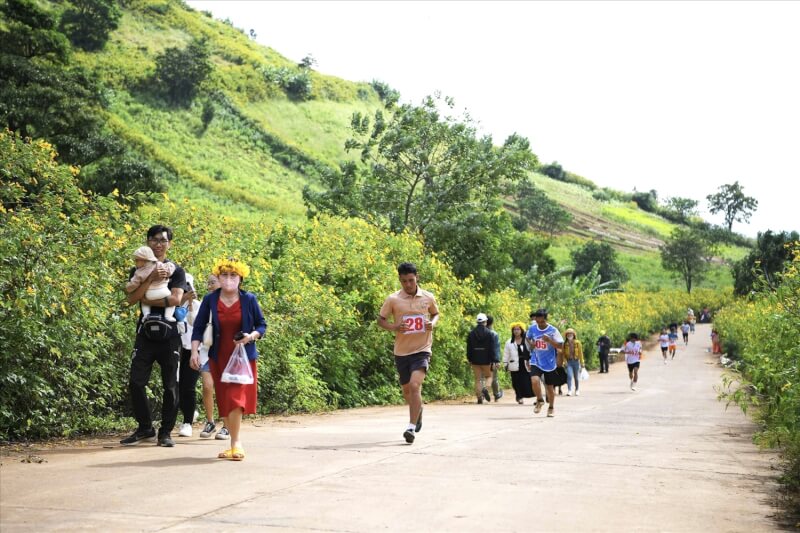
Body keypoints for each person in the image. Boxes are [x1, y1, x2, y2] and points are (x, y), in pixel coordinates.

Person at [190, 257, 266, 461]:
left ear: (241, 278)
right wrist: (194, 351)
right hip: (219, 357)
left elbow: (261, 325)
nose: (229, 278)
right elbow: (198, 327)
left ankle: (236, 443)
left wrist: (250, 337)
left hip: (242, 358)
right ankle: (232, 445)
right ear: (218, 277)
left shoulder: (249, 299)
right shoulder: (210, 299)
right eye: (224, 275)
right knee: (224, 400)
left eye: (233, 275)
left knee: (235, 398)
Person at [120, 225, 186, 447]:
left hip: (170, 335)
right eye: (154, 240)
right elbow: (130, 299)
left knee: (171, 385)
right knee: (136, 382)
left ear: (169, 244)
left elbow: (176, 299)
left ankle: (165, 432)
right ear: (147, 242)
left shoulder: (176, 271)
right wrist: (150, 279)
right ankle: (145, 428)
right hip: (145, 333)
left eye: (163, 240)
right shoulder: (138, 268)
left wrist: (146, 299)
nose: (159, 244)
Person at [377, 262, 440, 444]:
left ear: (417, 277)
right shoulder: (393, 299)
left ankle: (411, 428)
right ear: (400, 280)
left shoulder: (428, 297)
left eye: (411, 280)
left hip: (422, 349)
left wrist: (432, 323)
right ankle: (418, 410)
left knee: (414, 386)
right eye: (404, 281)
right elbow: (380, 320)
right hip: (402, 351)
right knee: (407, 391)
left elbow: (435, 313)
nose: (408, 284)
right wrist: (394, 327)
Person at [196, 275, 230, 440]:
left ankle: (227, 425)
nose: (209, 286)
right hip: (208, 349)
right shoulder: (208, 300)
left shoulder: (234, 299)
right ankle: (210, 422)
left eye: (212, 282)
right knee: (207, 386)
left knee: (224, 389)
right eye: (208, 282)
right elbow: (198, 324)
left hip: (227, 351)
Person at [525, 308, 564, 418]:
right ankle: (539, 400)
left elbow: (560, 346)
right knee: (534, 380)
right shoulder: (532, 328)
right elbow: (527, 337)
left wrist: (549, 340)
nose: (540, 324)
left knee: (549, 388)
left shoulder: (553, 330)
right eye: (538, 321)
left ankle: (551, 407)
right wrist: (531, 344)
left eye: (542, 321)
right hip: (536, 359)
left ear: (546, 319)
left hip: (549, 363)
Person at [177, 272, 201, 437]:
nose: (186, 290)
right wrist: (181, 301)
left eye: (188, 287)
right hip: (175, 349)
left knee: (188, 386)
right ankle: (189, 412)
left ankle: (187, 422)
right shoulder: (171, 305)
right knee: (175, 387)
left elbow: (195, 323)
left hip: (194, 350)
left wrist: (190, 303)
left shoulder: (198, 306)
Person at [126, 246, 176, 321]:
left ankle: (146, 314)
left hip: (149, 294)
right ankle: (168, 316)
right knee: (172, 303)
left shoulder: (139, 272)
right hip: (164, 292)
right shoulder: (159, 265)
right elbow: (170, 268)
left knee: (144, 302)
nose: (135, 262)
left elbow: (134, 284)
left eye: (137, 260)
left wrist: (128, 287)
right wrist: (169, 271)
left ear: (144, 260)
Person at [466, 313, 497, 404]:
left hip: (475, 359)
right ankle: (485, 389)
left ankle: (479, 398)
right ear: (485, 322)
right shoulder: (489, 333)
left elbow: (469, 348)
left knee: (477, 379)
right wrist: (494, 360)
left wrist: (469, 359)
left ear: (477, 321)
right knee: (489, 377)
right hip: (486, 360)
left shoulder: (471, 333)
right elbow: (492, 348)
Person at [503, 322, 534, 404]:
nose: (516, 331)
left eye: (518, 329)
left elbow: (532, 350)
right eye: (514, 329)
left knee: (527, 380)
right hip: (514, 364)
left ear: (522, 330)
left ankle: (534, 396)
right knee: (516, 381)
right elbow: (506, 354)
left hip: (525, 363)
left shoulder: (527, 340)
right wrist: (505, 363)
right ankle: (519, 396)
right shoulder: (509, 342)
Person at [561, 328, 584, 396]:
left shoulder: (577, 343)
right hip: (569, 362)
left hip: (576, 362)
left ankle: (577, 390)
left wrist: (582, 362)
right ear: (566, 335)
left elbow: (580, 353)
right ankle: (569, 390)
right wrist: (564, 362)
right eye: (568, 334)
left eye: (571, 334)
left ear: (574, 335)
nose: (569, 335)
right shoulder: (564, 344)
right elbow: (563, 354)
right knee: (569, 376)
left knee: (576, 377)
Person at [486, 315, 503, 401]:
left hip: (481, 359)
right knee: (494, 378)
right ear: (492, 323)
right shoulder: (494, 334)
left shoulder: (479, 333)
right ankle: (496, 395)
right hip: (492, 359)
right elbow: (496, 348)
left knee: (481, 378)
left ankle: (481, 394)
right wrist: (497, 360)